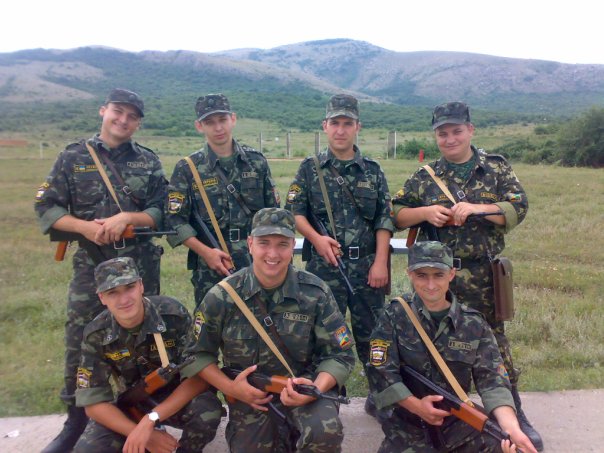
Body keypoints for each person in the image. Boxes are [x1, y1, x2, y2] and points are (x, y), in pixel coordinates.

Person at [392, 101, 542, 451]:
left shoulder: (495, 168)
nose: (450, 139)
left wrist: (479, 208)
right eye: (442, 133)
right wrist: (425, 212)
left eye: (456, 131)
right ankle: (425, 407)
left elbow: (518, 206)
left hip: (481, 273)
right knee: (428, 340)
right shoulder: (425, 175)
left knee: (494, 344)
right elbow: (396, 213)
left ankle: (514, 414)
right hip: (438, 277)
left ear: (470, 130)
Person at [34, 88, 168, 452]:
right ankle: (75, 422)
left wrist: (128, 217)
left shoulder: (148, 161)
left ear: (138, 123)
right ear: (103, 111)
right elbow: (46, 207)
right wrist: (84, 227)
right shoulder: (73, 156)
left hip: (140, 268)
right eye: (118, 112)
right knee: (80, 339)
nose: (123, 120)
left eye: (132, 116)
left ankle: (141, 415)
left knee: (145, 340)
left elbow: (161, 210)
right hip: (92, 267)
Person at [180, 207, 356, 453]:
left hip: (303, 388)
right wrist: (231, 388)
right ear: (250, 244)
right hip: (251, 396)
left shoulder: (315, 293)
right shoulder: (222, 296)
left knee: (323, 432)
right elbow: (195, 355)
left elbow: (340, 354)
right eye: (264, 243)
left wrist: (315, 388)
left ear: (293, 246)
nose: (273, 254)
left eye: (282, 244)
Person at [367, 241, 537, 453]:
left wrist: (511, 427)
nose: (430, 285)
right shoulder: (394, 315)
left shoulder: (473, 324)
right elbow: (380, 371)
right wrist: (416, 406)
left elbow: (493, 380)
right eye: (422, 275)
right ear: (409, 274)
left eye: (438, 275)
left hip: (456, 421)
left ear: (451, 274)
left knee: (503, 445)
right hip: (408, 423)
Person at [285, 94, 394, 416]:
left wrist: (380, 262)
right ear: (325, 126)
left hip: (367, 267)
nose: (341, 130)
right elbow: (294, 212)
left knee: (373, 335)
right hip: (324, 267)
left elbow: (384, 219)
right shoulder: (310, 169)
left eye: (348, 123)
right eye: (335, 123)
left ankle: (381, 395)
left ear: (358, 126)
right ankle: (326, 395)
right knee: (323, 333)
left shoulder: (372, 170)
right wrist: (316, 239)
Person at [73, 257, 222, 452]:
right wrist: (141, 434)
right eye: (113, 292)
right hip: (131, 402)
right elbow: (93, 403)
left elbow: (200, 376)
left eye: (129, 287)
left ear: (141, 286)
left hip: (176, 396)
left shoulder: (173, 315)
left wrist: (152, 419)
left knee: (207, 410)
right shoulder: (97, 334)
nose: (124, 300)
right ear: (102, 297)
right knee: (87, 449)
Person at [166, 93, 280, 309]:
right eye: (210, 122)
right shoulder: (188, 168)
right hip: (211, 264)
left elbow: (274, 214)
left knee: (260, 320)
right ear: (199, 126)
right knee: (211, 324)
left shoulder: (256, 162)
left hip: (255, 260)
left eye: (222, 120)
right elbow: (174, 220)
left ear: (233, 119)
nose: (218, 128)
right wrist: (206, 253)